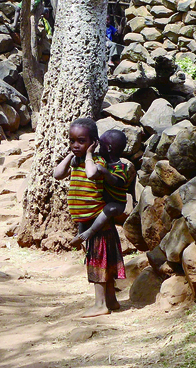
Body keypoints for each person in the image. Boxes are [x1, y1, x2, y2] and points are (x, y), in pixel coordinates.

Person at [54, 117, 124, 317]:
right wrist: (71, 154)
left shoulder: (96, 162)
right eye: (72, 141)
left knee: (98, 264)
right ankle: (111, 300)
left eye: (81, 141)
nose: (75, 145)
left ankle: (100, 305)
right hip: (87, 222)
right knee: (102, 262)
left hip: (98, 223)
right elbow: (57, 174)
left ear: (93, 142)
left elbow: (92, 174)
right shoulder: (76, 162)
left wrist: (90, 153)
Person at [72, 129, 134, 248]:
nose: (98, 149)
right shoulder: (101, 160)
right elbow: (87, 162)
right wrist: (77, 159)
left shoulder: (120, 167)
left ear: (109, 148)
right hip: (102, 202)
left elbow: (116, 182)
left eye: (100, 145)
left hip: (117, 204)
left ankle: (91, 231)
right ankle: (80, 236)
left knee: (109, 209)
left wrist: (105, 172)